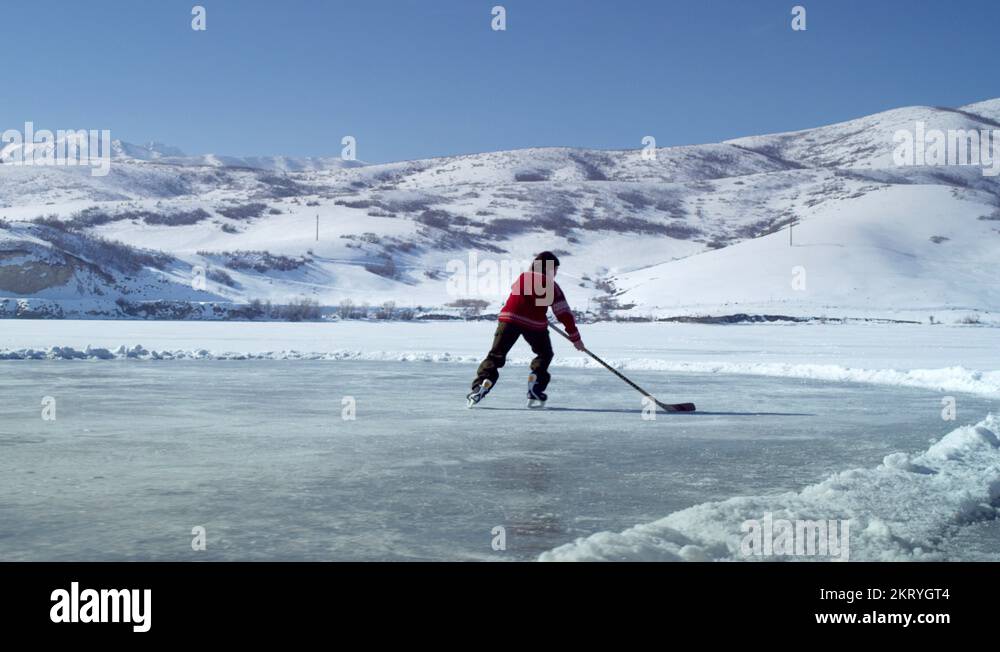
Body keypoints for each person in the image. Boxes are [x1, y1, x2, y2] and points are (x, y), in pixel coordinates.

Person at [467, 251, 584, 408]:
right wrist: (575, 338)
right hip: (534, 325)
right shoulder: (552, 286)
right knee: (544, 354)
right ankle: (535, 383)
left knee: (495, 356)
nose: (555, 273)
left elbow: (517, 291)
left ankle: (481, 384)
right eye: (555, 269)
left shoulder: (523, 277)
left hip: (509, 319)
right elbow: (563, 313)